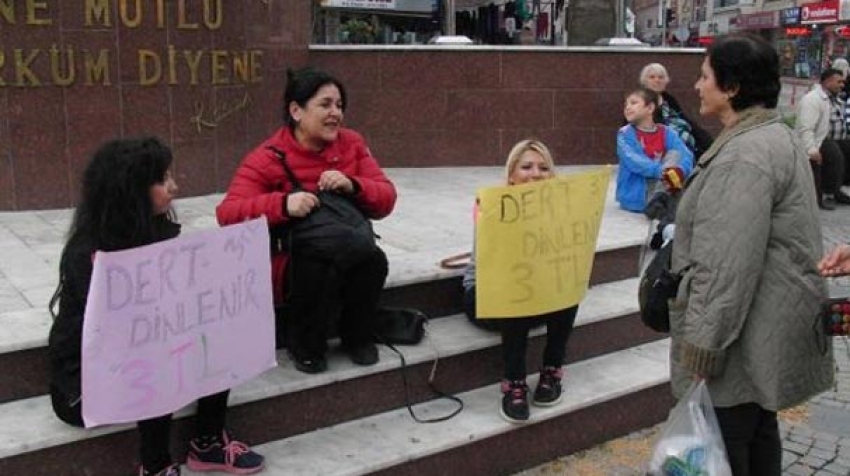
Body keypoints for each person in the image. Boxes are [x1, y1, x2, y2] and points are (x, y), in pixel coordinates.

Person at [47, 137, 265, 476]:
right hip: (83, 387)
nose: (174, 186)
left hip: (136, 364)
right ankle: (156, 466)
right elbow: (119, 335)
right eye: (163, 180)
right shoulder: (87, 254)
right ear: (131, 191)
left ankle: (208, 445)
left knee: (214, 338)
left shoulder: (157, 233)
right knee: (156, 354)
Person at [671, 34, 834, 475]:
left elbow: (725, 266)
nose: (697, 85)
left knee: (727, 445)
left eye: (705, 76)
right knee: (758, 433)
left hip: (738, 339)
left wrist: (702, 349)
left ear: (733, 87)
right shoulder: (774, 135)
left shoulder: (743, 156)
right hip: (763, 329)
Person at [216, 67, 397, 374]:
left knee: (373, 261)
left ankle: (358, 337)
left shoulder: (352, 143)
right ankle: (305, 344)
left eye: (339, 106)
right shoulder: (268, 157)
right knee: (316, 269)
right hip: (295, 256)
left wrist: (354, 185)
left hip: (348, 242)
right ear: (296, 111)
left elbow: (387, 197)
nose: (335, 114)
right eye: (325, 105)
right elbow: (227, 214)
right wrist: (283, 205)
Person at [461, 139, 578, 424]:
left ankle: (552, 369)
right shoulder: (490, 205)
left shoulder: (561, 209)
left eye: (543, 168)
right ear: (511, 174)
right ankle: (514, 382)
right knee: (514, 290)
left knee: (569, 283)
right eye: (526, 167)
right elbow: (490, 269)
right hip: (487, 294)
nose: (535, 174)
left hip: (537, 293)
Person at [616, 86, 694, 214]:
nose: (627, 107)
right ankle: (661, 201)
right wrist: (664, 172)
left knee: (675, 154)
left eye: (633, 103)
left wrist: (679, 170)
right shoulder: (625, 133)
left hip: (664, 182)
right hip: (639, 194)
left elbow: (685, 155)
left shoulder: (667, 132)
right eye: (626, 104)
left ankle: (660, 200)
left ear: (650, 108)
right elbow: (635, 161)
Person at [795, 68, 850, 210]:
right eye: (839, 82)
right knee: (834, 155)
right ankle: (826, 194)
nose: (842, 85)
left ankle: (836, 189)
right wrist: (812, 150)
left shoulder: (833, 98)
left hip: (828, 138)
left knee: (846, 148)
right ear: (827, 81)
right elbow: (805, 129)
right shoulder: (812, 100)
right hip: (814, 141)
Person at [639, 62, 714, 158]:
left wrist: (706, 139)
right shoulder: (639, 100)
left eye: (661, 77)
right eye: (652, 77)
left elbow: (683, 118)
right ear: (644, 81)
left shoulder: (668, 99)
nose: (657, 80)